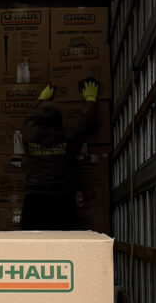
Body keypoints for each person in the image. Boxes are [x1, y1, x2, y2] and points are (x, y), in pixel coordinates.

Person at [19, 79, 100, 229]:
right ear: (59, 121)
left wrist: (41, 99)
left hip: (34, 202)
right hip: (61, 200)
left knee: (31, 247)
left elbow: (29, 119)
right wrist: (91, 100)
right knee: (63, 247)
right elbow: (85, 123)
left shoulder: (28, 137)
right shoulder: (68, 139)